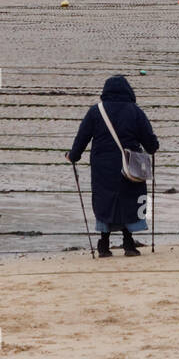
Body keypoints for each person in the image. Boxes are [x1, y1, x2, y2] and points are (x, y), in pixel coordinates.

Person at [67, 76, 159, 258]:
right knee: (130, 199)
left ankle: (103, 243)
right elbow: (151, 144)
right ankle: (129, 242)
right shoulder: (135, 112)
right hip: (130, 166)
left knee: (105, 200)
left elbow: (81, 138)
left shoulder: (95, 111)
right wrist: (153, 146)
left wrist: (73, 156)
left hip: (103, 168)